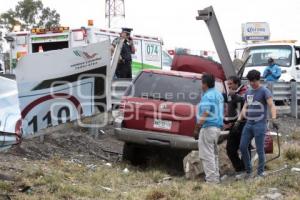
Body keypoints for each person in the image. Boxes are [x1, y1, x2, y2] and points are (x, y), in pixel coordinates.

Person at [235, 70, 279, 179]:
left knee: (260, 149)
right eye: (250, 81)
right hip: (249, 124)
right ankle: (249, 171)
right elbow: (245, 107)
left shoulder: (264, 91)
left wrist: (274, 119)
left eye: (254, 81)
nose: (252, 83)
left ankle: (260, 173)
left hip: (260, 124)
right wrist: (238, 120)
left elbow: (271, 105)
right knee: (242, 146)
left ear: (259, 79)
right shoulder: (248, 92)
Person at [195, 73, 224, 183]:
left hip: (208, 127)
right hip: (217, 128)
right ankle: (215, 177)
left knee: (207, 155)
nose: (201, 85)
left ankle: (211, 180)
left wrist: (197, 128)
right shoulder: (218, 95)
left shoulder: (207, 96)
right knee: (213, 154)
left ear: (205, 84)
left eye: (202, 83)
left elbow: (206, 112)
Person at [224, 76, 248, 173]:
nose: (229, 86)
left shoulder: (244, 91)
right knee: (230, 149)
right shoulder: (231, 94)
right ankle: (240, 169)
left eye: (231, 84)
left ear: (237, 83)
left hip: (243, 124)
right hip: (233, 125)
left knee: (245, 148)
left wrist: (234, 96)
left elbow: (245, 104)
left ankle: (246, 169)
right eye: (228, 84)